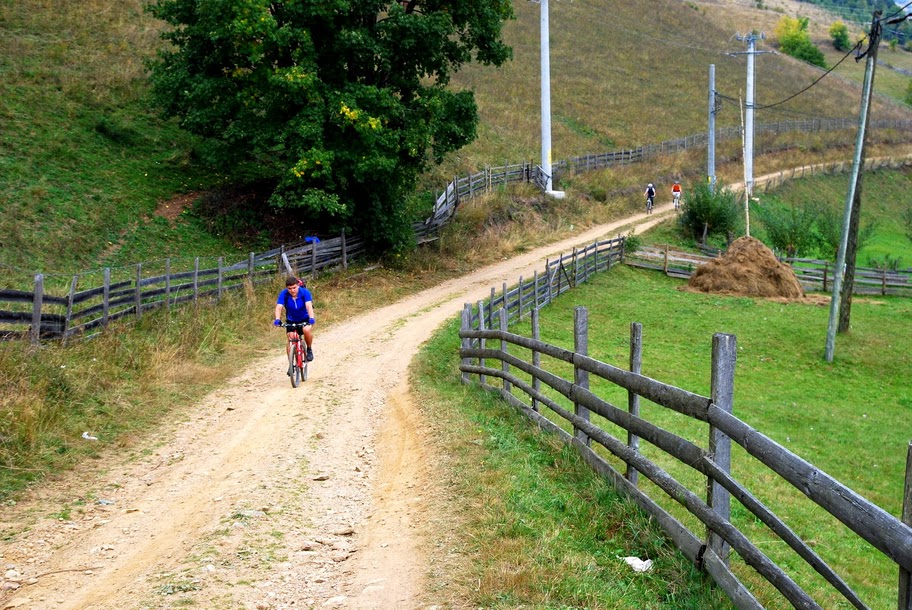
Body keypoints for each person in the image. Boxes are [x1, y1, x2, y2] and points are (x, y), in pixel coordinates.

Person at [274, 276, 315, 374]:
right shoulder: (284, 294)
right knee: (291, 338)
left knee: (306, 330)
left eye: (294, 288)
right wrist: (277, 319)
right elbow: (279, 307)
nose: (292, 290)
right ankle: (291, 365)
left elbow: (309, 305)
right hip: (291, 320)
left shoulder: (305, 292)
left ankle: (309, 349)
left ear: (298, 286)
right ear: (286, 288)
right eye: (289, 288)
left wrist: (311, 318)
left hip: (305, 318)